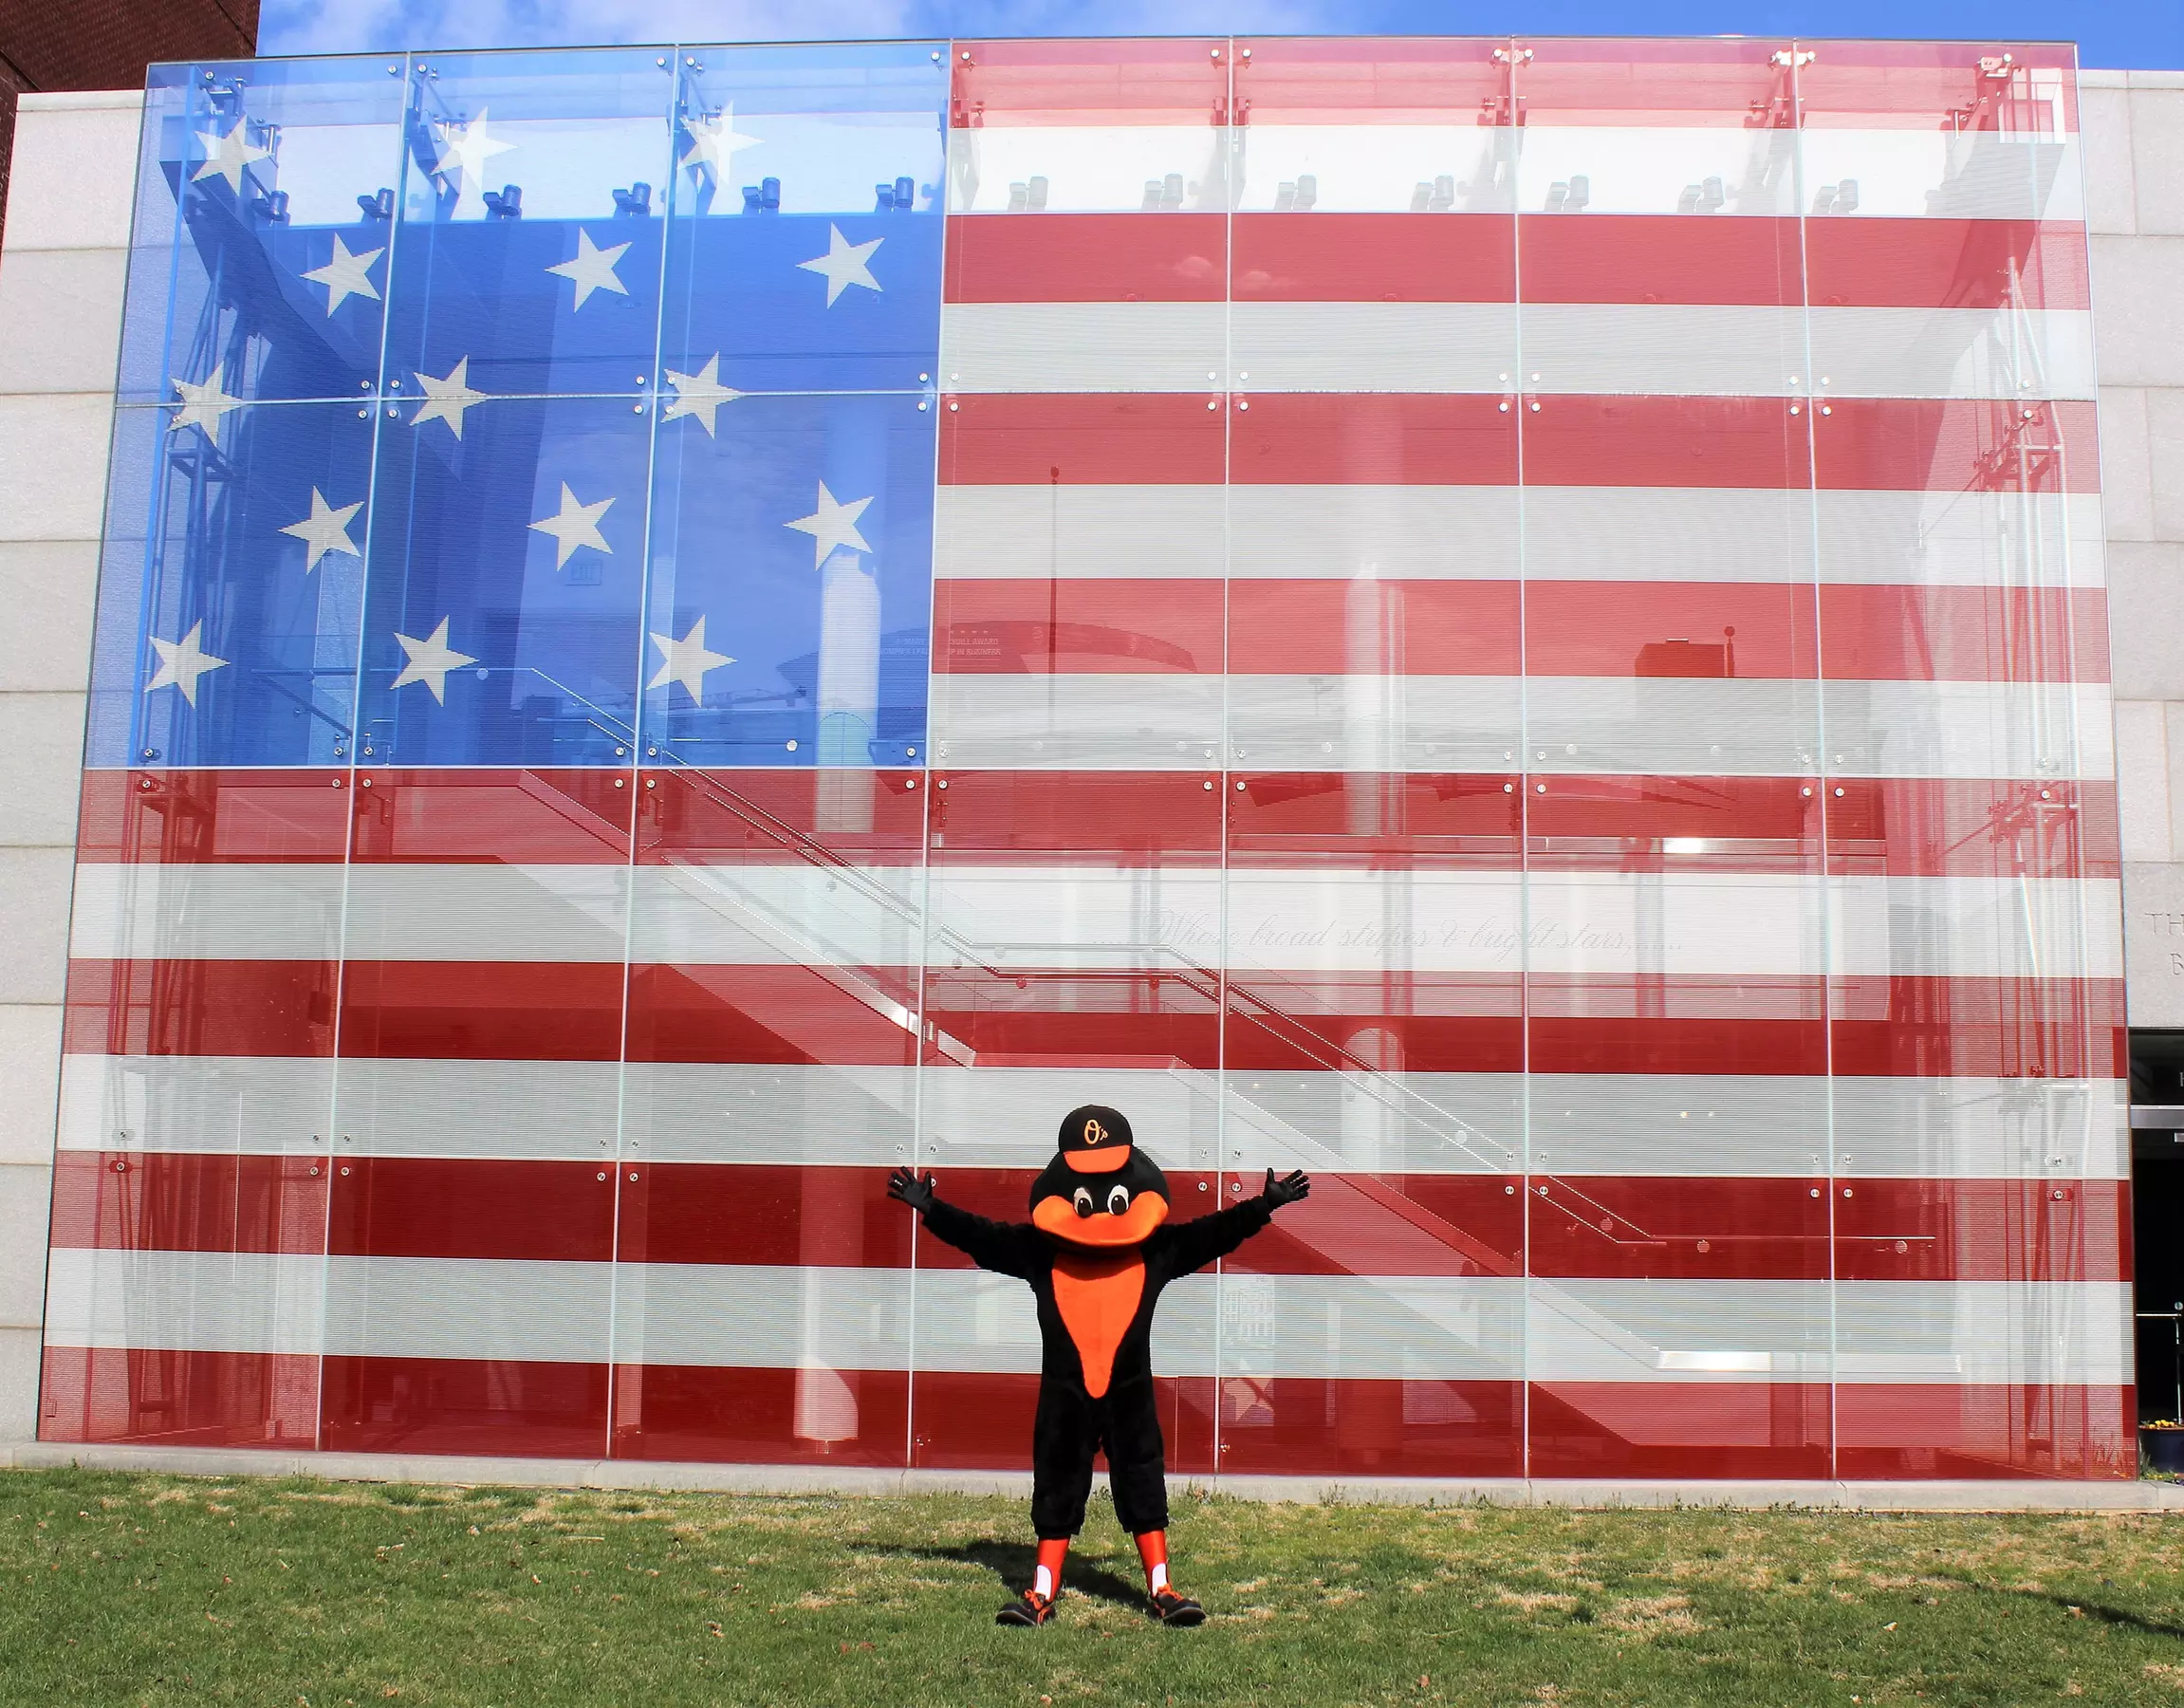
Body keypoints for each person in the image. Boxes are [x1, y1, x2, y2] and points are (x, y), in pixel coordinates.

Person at [888, 1103, 1310, 1626]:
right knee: (1058, 1481)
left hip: (1128, 1393)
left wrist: (1260, 1208)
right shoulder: (1040, 1250)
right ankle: (1041, 1592)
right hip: (1065, 1398)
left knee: (1142, 1478)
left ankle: (1162, 1589)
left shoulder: (1157, 1250)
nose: (1106, 1211)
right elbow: (984, 1237)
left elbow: (1212, 1233)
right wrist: (933, 1211)